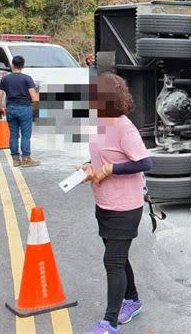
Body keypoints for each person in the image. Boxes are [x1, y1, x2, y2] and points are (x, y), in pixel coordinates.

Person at [81, 73, 153, 334]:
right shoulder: (97, 122)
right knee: (119, 259)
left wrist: (111, 169)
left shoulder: (124, 126)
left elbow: (145, 162)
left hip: (126, 206)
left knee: (112, 261)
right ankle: (132, 300)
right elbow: (97, 154)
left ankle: (109, 323)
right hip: (104, 202)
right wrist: (88, 166)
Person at [0, 55, 40, 167]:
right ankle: (26, 158)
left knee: (14, 134)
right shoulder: (27, 78)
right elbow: (34, 98)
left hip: (10, 108)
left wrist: (0, 109)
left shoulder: (5, 79)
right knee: (26, 135)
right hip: (24, 108)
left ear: (12, 65)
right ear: (23, 66)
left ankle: (15, 159)